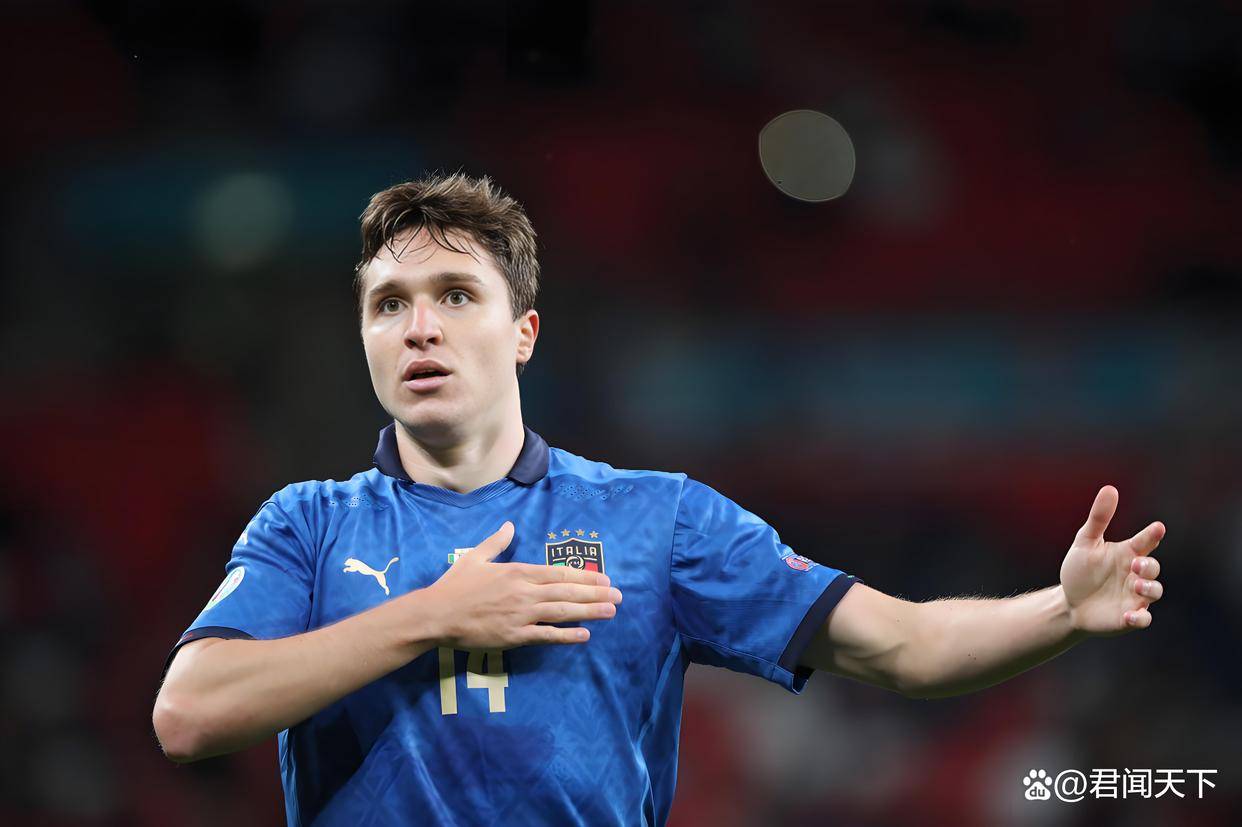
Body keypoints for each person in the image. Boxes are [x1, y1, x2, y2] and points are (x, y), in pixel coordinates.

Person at [152, 173, 1167, 826]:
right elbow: (188, 714)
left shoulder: (659, 519)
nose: (420, 327)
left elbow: (904, 646)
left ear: (523, 333)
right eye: (389, 305)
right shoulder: (308, 524)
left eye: (456, 295)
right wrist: (434, 615)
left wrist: (1061, 609)